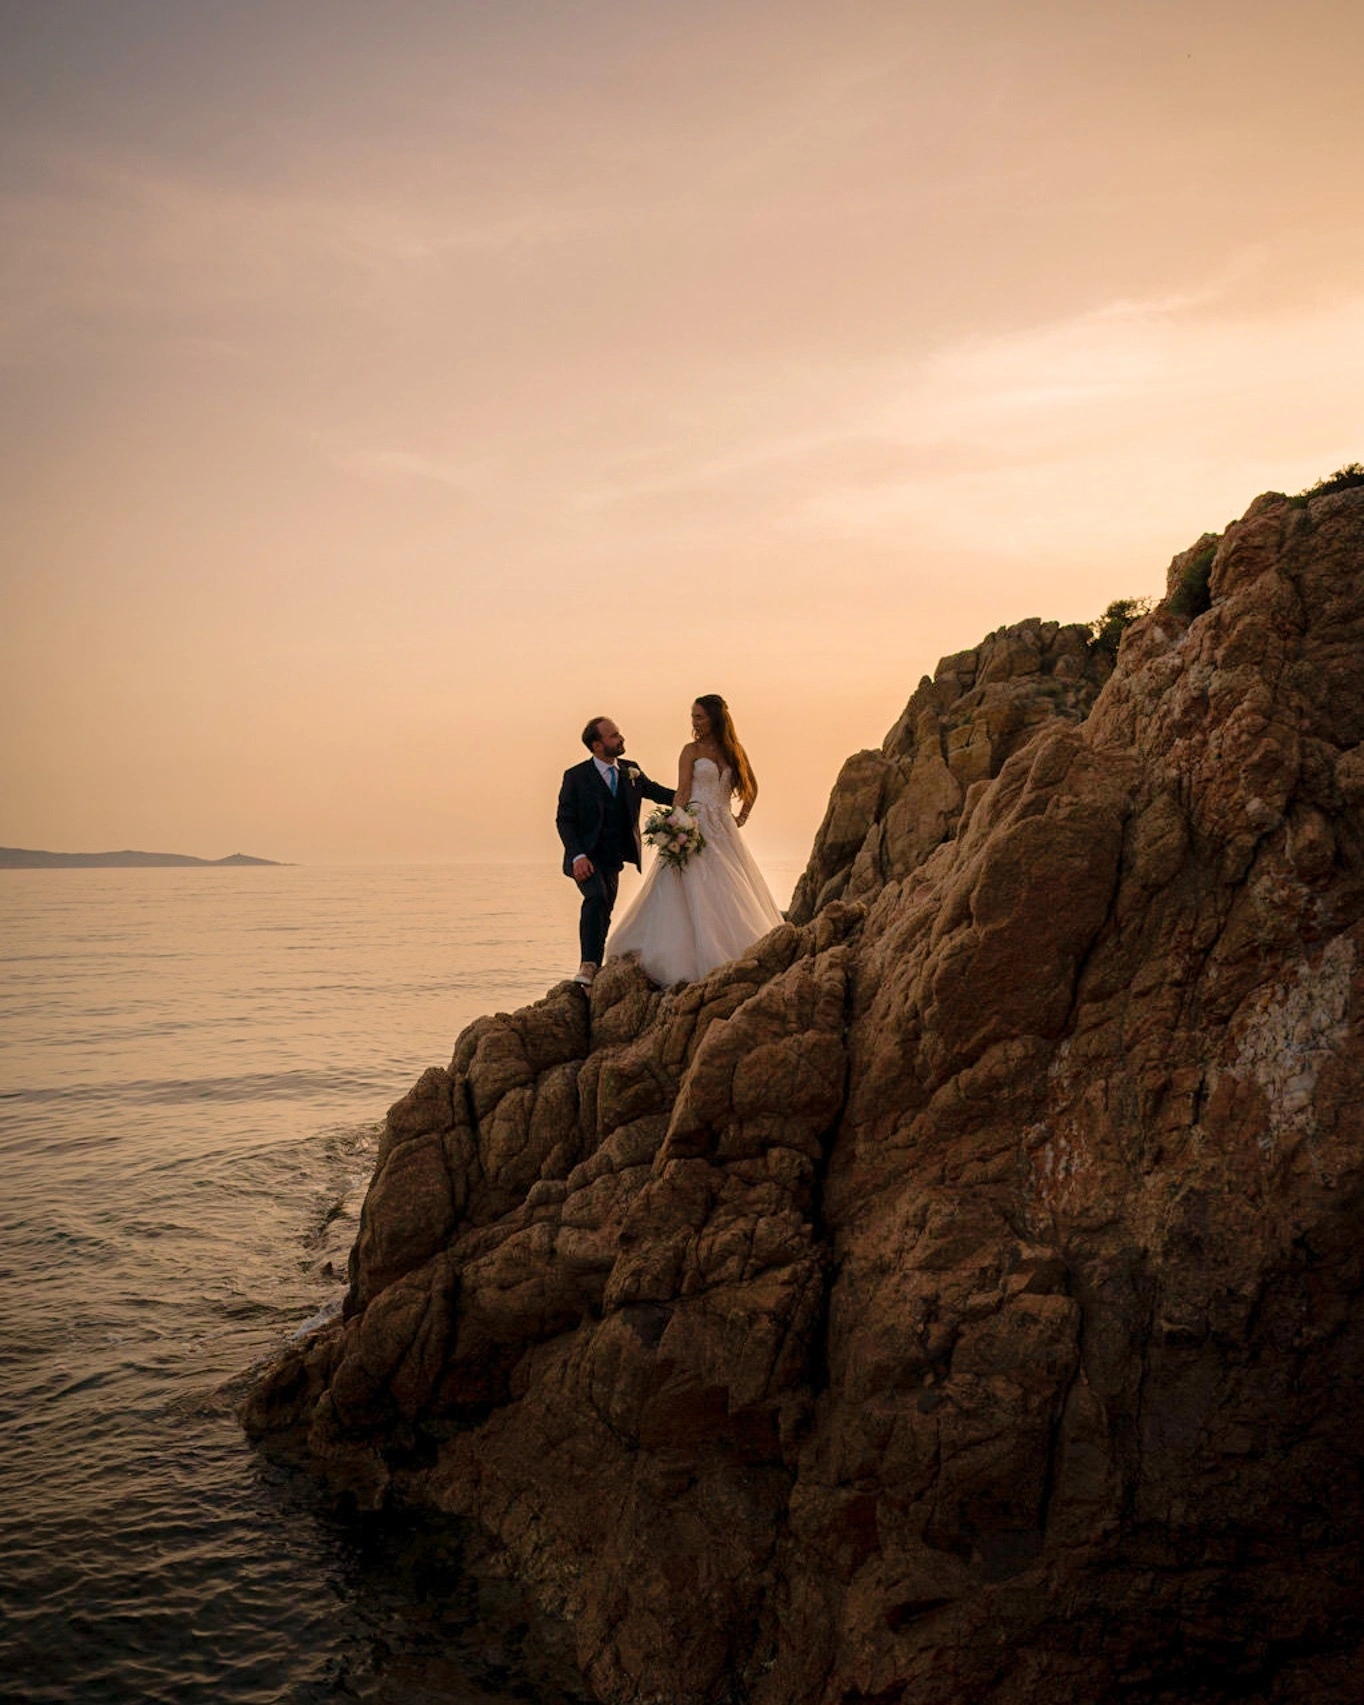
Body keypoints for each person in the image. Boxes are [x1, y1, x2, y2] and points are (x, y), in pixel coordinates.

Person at [607, 694, 783, 986]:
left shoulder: (734, 750)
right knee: (690, 885)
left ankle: (733, 944)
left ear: (715, 718)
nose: (694, 722)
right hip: (696, 823)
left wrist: (741, 817)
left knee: (730, 885)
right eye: (692, 716)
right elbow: (683, 791)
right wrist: (677, 825)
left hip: (724, 828)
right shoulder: (691, 750)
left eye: (699, 716)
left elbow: (752, 787)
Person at [557, 715, 674, 987]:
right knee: (596, 898)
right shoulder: (576, 776)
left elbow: (658, 793)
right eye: (613, 736)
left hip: (613, 858)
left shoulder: (630, 771)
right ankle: (587, 966)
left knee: (605, 909)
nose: (621, 739)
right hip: (585, 857)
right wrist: (578, 856)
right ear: (597, 745)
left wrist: (697, 797)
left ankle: (595, 969)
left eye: (618, 733)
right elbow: (565, 819)